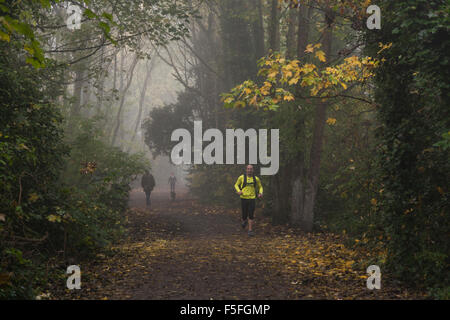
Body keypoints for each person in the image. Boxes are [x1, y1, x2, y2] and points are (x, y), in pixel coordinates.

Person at [234, 165, 263, 237]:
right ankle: (244, 221)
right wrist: (238, 191)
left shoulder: (256, 179)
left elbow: (260, 187)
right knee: (244, 214)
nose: (249, 170)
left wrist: (260, 193)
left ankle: (250, 230)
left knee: (251, 214)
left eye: (251, 169)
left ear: (253, 170)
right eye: (248, 169)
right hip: (243, 198)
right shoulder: (241, 177)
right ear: (246, 170)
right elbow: (236, 185)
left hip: (252, 198)